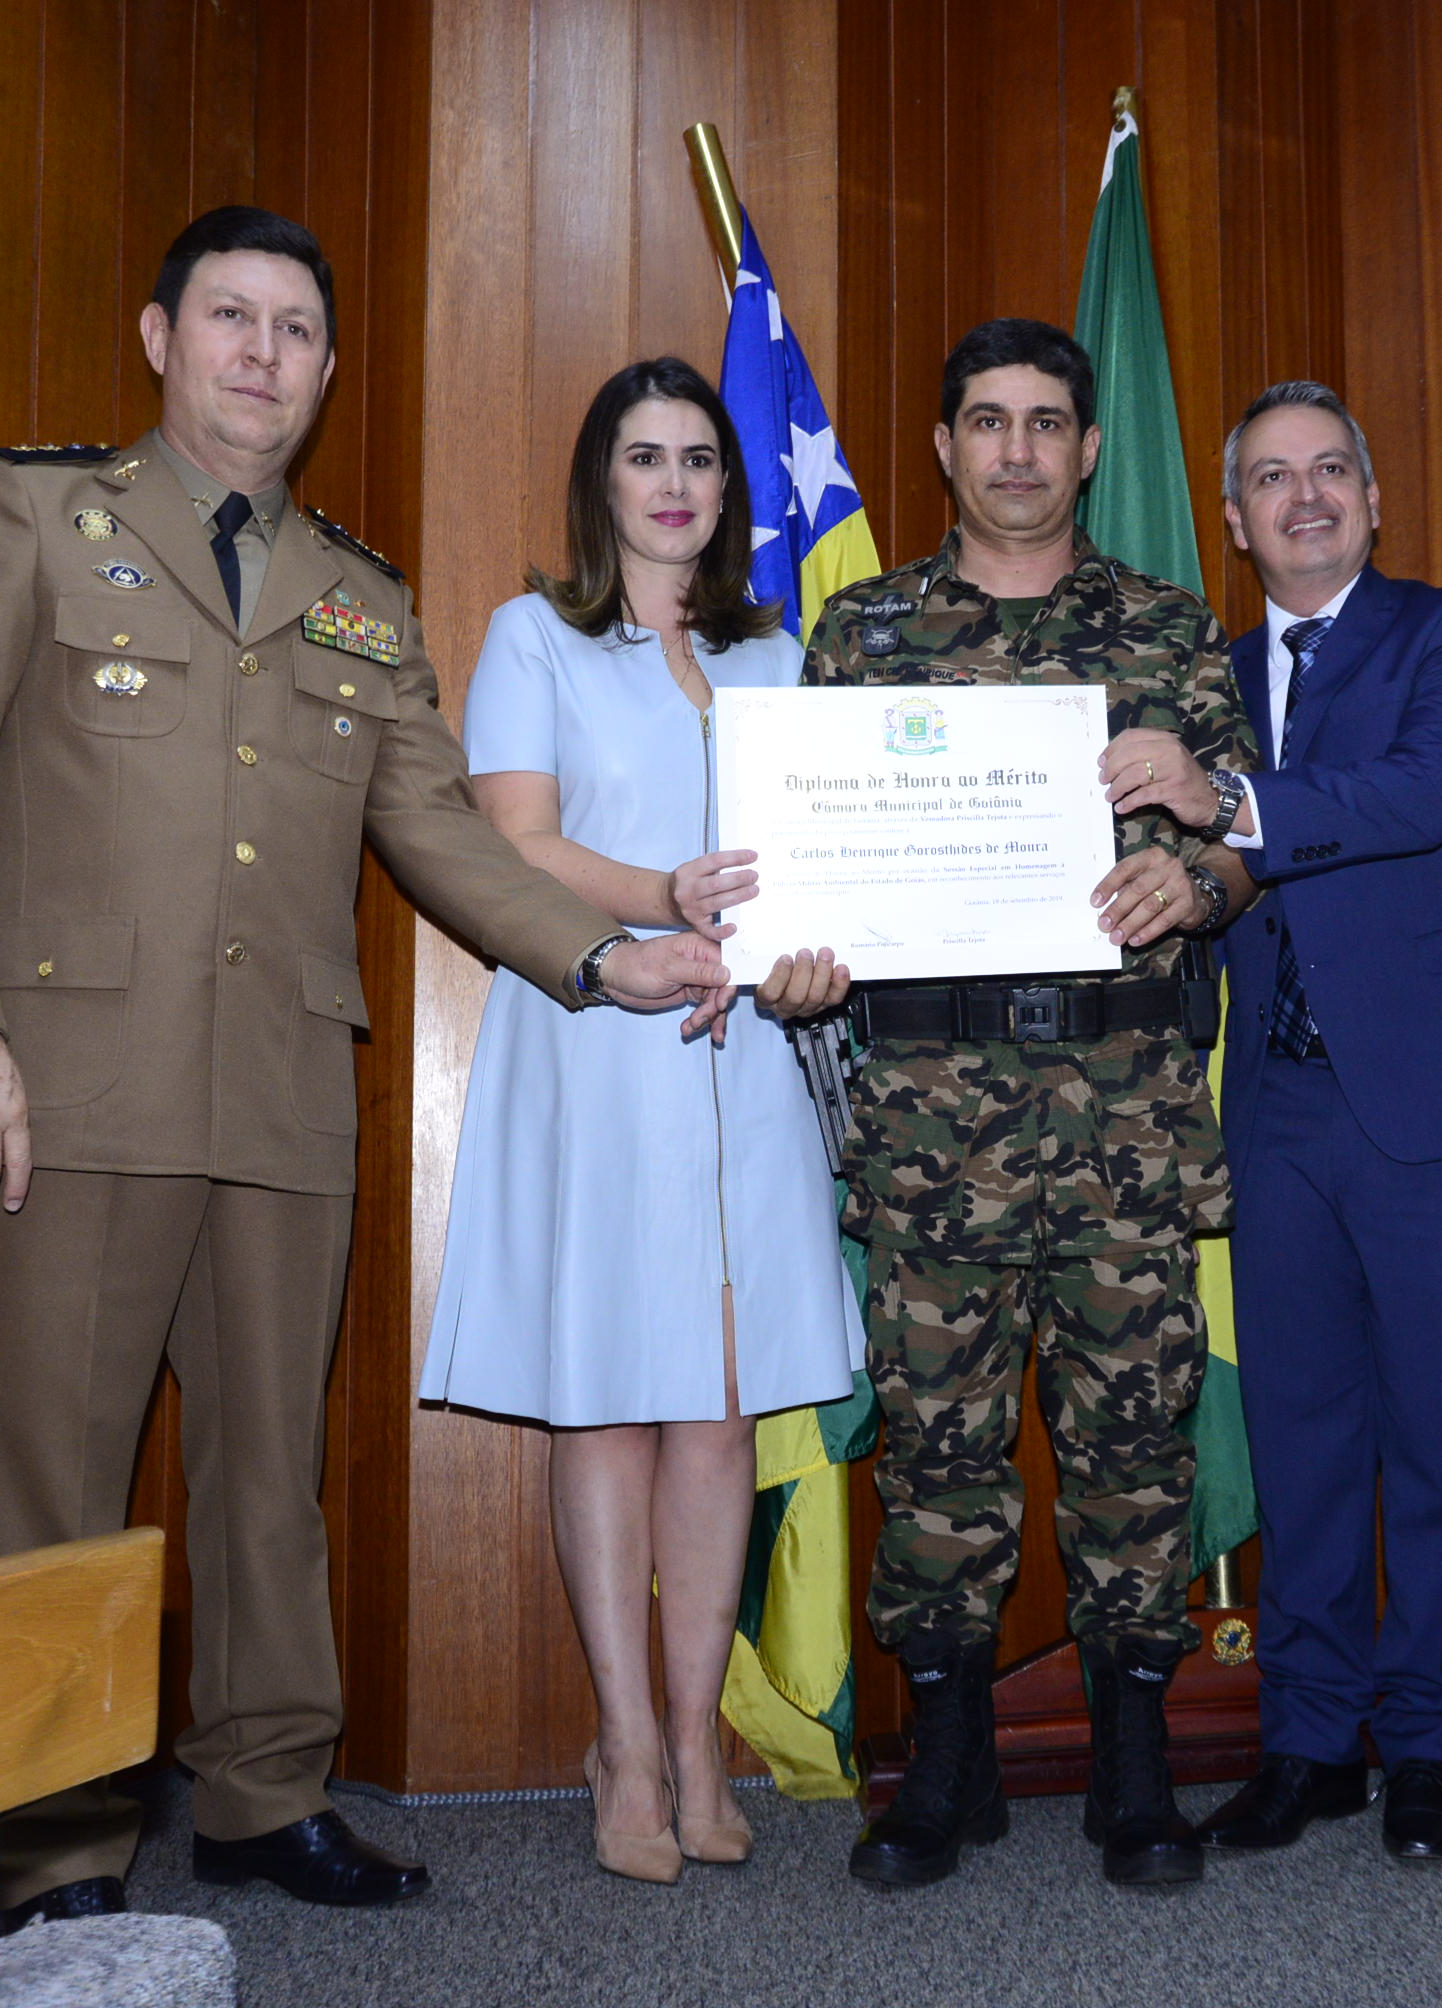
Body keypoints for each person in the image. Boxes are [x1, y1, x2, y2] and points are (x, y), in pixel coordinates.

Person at [0, 206, 725, 1930]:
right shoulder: (28, 515)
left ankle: (264, 1794)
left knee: (268, 1475)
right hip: (65, 1087)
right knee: (56, 1480)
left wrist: (601, 960)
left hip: (281, 1093)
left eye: (296, 329)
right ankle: (53, 1843)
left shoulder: (359, 596)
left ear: (325, 368)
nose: (263, 353)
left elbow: (442, 832)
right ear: (161, 337)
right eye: (231, 318)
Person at [788, 317, 1255, 1890]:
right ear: (945, 446)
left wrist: (1196, 879)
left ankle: (1135, 1764)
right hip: (933, 1121)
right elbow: (810, 852)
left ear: (1089, 447)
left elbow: (1246, 840)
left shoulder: (1168, 628)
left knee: (1134, 1443)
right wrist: (797, 944)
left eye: (1047, 421)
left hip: (1126, 1113)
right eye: (987, 420)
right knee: (937, 1449)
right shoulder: (864, 633)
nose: (1017, 450)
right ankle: (948, 1770)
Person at [1103, 381, 1442, 1862]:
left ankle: (1429, 1738)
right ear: (1234, 518)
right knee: (1303, 1434)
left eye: (1330, 471)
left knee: (1435, 1429)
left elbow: (1426, 792)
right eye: (1272, 478)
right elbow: (1201, 866)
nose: (1305, 496)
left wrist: (1223, 801)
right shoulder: (1205, 671)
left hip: (1439, 1097)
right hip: (1276, 1104)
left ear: (1372, 501)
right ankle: (1309, 1740)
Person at [416, 358, 862, 1882]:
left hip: (748, 1055)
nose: (674, 484)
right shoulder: (533, 636)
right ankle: (624, 1745)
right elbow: (517, 841)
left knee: (721, 1409)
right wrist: (661, 899)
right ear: (601, 481)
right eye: (644, 456)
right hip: (600, 1037)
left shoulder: (779, 659)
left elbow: (819, 864)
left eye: (698, 459)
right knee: (607, 1398)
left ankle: (695, 1740)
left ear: (732, 490)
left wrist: (814, 955)